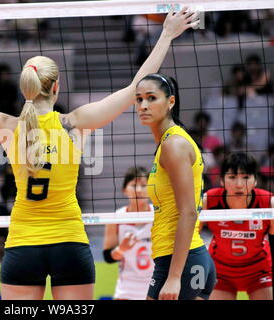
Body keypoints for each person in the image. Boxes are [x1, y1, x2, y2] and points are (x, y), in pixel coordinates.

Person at [0, 8, 200, 300]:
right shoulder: (75, 124)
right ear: (56, 87)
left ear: (25, 88)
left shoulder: (8, 128)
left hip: (23, 245)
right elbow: (135, 88)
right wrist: (166, 34)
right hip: (70, 245)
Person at [136, 73, 216, 300]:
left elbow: (189, 212)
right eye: (139, 99)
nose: (143, 105)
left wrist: (173, 277)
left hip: (181, 263)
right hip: (185, 258)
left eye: (152, 98)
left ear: (171, 102)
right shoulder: (168, 142)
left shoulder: (174, 144)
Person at [202, 152, 273, 300]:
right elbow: (192, 235)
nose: (239, 184)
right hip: (220, 271)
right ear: (222, 180)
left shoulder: (268, 203)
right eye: (232, 177)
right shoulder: (209, 200)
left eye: (246, 177)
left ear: (255, 181)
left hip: (258, 270)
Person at [102, 166, 154, 300]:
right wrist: (121, 249)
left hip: (156, 285)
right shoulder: (117, 217)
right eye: (134, 185)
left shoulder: (159, 216)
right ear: (124, 190)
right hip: (127, 288)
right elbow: (108, 256)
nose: (138, 190)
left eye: (143, 185)